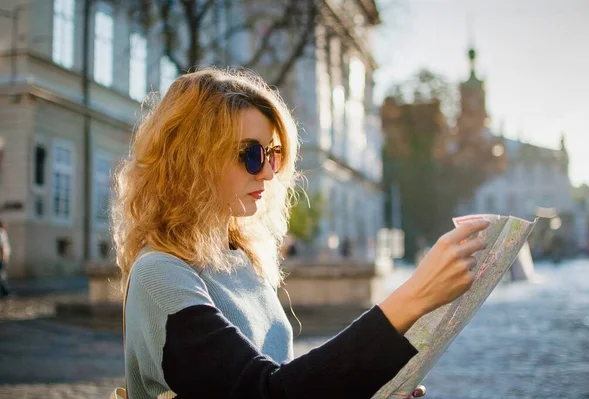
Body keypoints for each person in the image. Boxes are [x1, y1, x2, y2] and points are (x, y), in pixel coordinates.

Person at [110, 68, 489, 399]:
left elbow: (289, 384)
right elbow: (266, 392)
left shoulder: (240, 259)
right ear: (192, 159)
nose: (269, 172)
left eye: (272, 154)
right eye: (251, 154)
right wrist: (413, 297)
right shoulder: (160, 274)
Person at [0, 220, 11, 297]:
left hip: (2, 257)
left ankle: (5, 291)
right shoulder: (1, 233)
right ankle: (5, 291)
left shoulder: (3, 233)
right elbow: (1, 247)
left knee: (2, 274)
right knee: (2, 274)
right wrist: (3, 257)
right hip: (1, 258)